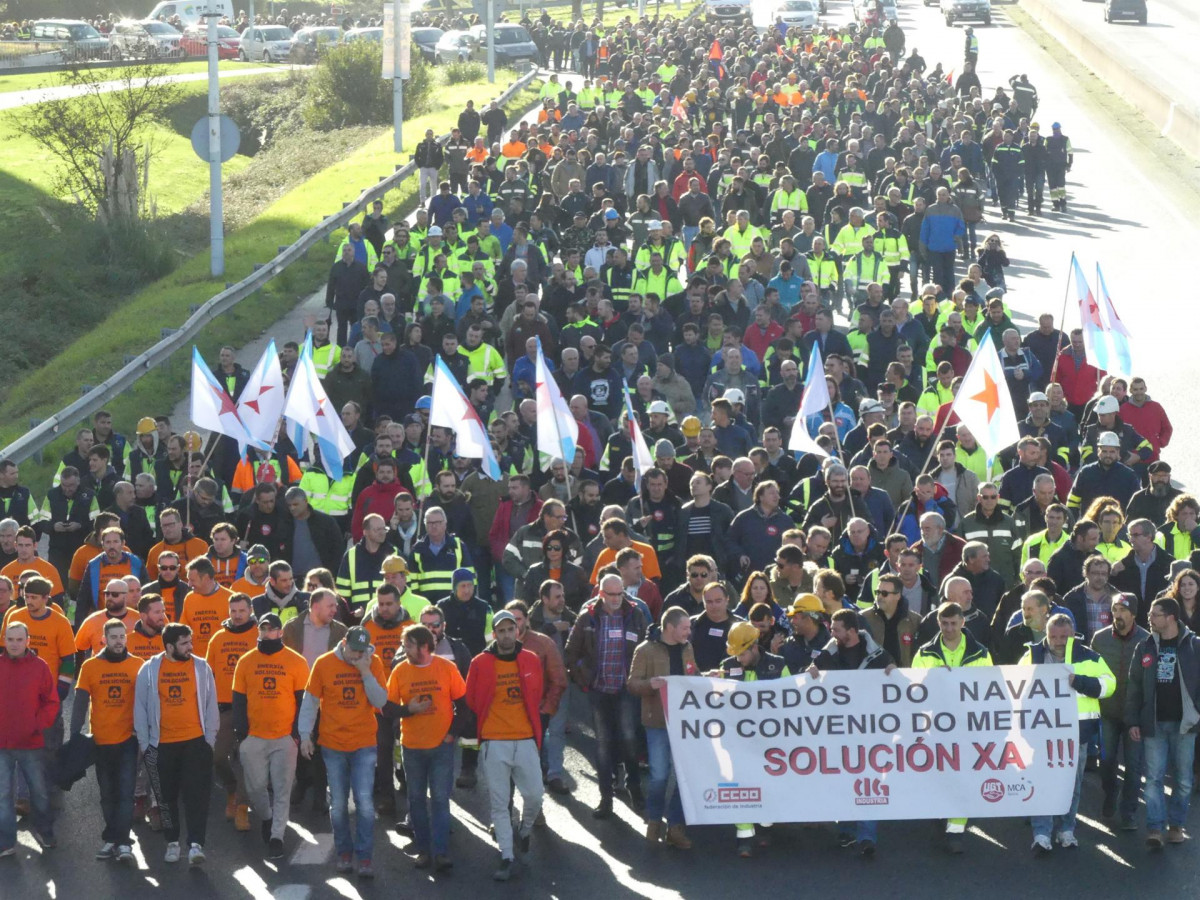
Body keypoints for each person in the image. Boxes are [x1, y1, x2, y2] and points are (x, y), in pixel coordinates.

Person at [1020, 614, 1114, 854]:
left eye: (1063, 636)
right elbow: (1014, 686)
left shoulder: (1089, 656)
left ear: (1072, 635)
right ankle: (1041, 833)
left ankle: (1066, 829)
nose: (1058, 641)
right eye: (1053, 636)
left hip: (1077, 734)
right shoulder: (1031, 655)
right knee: (1042, 783)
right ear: (1046, 635)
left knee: (1072, 785)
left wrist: (1081, 682)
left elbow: (1109, 685)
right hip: (1041, 733)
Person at [298, 626, 388, 879]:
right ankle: (344, 853)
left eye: (361, 651)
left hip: (363, 743)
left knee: (365, 803)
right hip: (333, 744)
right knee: (338, 805)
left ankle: (365, 856)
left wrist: (365, 671)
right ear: (343, 642)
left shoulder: (373, 663)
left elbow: (380, 701)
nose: (356, 655)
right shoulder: (324, 663)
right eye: (353, 650)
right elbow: (310, 701)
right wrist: (305, 736)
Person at [465, 611, 546, 882]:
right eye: (501, 631)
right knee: (500, 803)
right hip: (494, 741)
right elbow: (473, 700)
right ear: (494, 634)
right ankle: (507, 855)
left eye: (511, 629)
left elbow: (537, 694)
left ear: (518, 631)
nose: (507, 635)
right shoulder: (480, 663)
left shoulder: (531, 659)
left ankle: (523, 831)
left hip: (525, 739)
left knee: (535, 795)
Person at [808, 608, 895, 857]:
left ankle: (867, 836)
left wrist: (893, 672)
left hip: (870, 731)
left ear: (852, 631)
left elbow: (895, 680)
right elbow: (810, 674)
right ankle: (846, 830)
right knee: (843, 778)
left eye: (836, 629)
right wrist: (810, 671)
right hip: (839, 730)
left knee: (869, 781)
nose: (831, 633)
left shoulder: (880, 656)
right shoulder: (828, 653)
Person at [134, 622, 220, 866]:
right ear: (170, 646)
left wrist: (209, 740)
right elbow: (139, 708)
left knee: (196, 797)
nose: (190, 647)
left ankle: (195, 845)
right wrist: (145, 744)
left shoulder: (201, 667)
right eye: (184, 643)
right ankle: (172, 842)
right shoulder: (148, 670)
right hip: (161, 746)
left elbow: (211, 705)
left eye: (190, 642)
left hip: (196, 744)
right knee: (166, 798)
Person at [564, 572, 648, 819]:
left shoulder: (636, 614)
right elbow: (570, 653)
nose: (615, 598)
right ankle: (606, 798)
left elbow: (646, 650)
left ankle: (634, 786)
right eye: (610, 594)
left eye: (619, 593)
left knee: (630, 739)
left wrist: (639, 681)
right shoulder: (587, 617)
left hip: (625, 690)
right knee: (603, 745)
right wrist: (584, 679)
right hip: (599, 690)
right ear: (601, 594)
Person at [911, 601, 993, 853]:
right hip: (934, 725)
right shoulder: (924, 653)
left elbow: (989, 691)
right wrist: (932, 680)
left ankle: (955, 830)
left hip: (968, 726)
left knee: (962, 775)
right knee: (939, 774)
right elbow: (914, 690)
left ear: (962, 623)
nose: (949, 628)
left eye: (953, 623)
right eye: (944, 623)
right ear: (938, 623)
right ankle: (941, 815)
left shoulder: (981, 654)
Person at [384, 622, 465, 873]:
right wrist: (408, 710)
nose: (403, 648)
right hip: (412, 747)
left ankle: (441, 853)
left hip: (442, 746)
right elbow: (387, 708)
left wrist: (452, 735)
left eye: (407, 644)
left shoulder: (446, 668)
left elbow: (463, 704)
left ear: (423, 646)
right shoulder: (399, 671)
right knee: (416, 799)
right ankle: (423, 850)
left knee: (440, 799)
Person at [231, 612, 309, 860]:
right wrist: (241, 734)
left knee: (283, 788)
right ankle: (266, 817)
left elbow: (303, 702)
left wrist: (296, 734)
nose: (266, 633)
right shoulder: (245, 661)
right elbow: (238, 700)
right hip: (254, 736)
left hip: (284, 737)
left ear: (280, 632)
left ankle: (277, 836)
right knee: (255, 788)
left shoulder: (296, 661)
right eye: (262, 629)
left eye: (271, 629)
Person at [1126, 596, 1200, 849]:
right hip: (1153, 723)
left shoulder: (1194, 645)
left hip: (1185, 724)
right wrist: (1133, 720)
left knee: (1183, 779)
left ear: (1170, 617)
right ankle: (1155, 829)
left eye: (1155, 614)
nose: (1150, 618)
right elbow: (1134, 686)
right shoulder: (1145, 646)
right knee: (1154, 778)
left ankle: (1177, 825)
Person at [72, 617, 142, 863]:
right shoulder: (90, 667)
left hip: (128, 741)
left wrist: (143, 732)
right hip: (100, 741)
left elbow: (147, 703)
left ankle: (122, 842)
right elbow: (80, 703)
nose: (119, 641)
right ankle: (114, 838)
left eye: (122, 637)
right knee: (107, 794)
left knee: (125, 794)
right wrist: (74, 737)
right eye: (113, 637)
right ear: (104, 639)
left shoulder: (138, 665)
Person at [628, 606, 697, 850]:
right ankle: (655, 820)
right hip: (657, 722)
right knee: (658, 775)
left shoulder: (687, 648)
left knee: (682, 776)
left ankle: (676, 826)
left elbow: (692, 676)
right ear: (670, 627)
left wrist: (707, 677)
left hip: (684, 723)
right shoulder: (645, 650)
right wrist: (650, 684)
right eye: (685, 627)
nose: (689, 632)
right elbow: (632, 684)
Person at [0, 620, 59, 856]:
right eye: (10, 639)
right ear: (4, 640)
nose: (14, 644)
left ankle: (45, 831)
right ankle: (6, 842)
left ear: (28, 641)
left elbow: (51, 702)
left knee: (39, 791)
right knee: (3, 795)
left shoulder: (40, 667)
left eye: (19, 639)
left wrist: (36, 725)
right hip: (1, 744)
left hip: (31, 743)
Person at [1090, 595, 1148, 831]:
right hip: (1108, 712)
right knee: (1106, 760)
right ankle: (1110, 792)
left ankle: (1129, 811)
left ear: (1133, 614)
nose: (1118, 614)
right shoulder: (1100, 639)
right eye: (1115, 609)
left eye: (1123, 610)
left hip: (1135, 716)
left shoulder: (1146, 639)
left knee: (1134, 767)